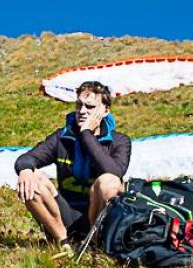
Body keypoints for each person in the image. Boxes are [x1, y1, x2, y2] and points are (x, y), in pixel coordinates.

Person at [15, 80, 131, 258]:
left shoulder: (120, 142)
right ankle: (63, 243)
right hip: (65, 214)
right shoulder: (62, 137)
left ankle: (96, 244)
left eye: (90, 107)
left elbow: (114, 173)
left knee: (109, 182)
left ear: (105, 110)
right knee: (33, 178)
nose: (83, 111)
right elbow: (28, 157)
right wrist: (25, 170)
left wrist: (86, 133)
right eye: (79, 105)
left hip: (99, 216)